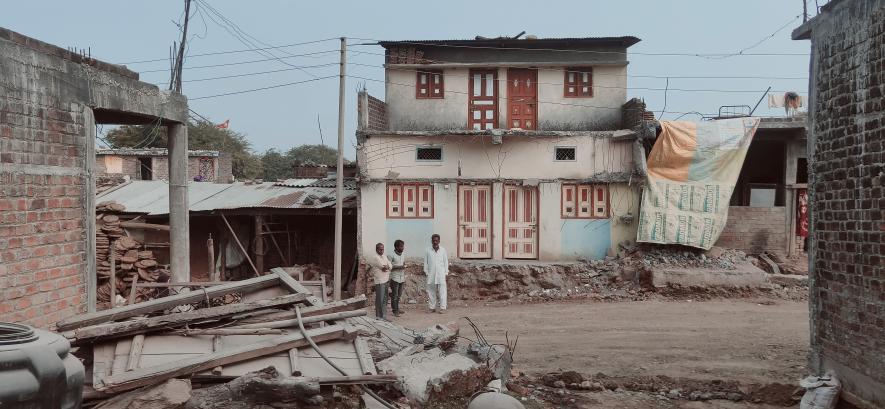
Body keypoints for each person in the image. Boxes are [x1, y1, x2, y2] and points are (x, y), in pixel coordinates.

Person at [423, 234, 449, 314]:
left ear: (439, 241)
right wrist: (427, 272)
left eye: (436, 240)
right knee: (431, 291)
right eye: (433, 240)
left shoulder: (443, 250)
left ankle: (443, 308)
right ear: (431, 241)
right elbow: (425, 263)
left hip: (441, 274)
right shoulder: (427, 250)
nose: (435, 242)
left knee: (442, 291)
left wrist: (446, 272)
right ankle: (432, 307)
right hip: (431, 274)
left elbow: (446, 262)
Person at [366, 242, 392, 320]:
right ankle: (378, 316)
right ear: (377, 249)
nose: (382, 251)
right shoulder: (375, 258)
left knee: (385, 299)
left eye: (383, 249)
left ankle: (383, 316)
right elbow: (383, 267)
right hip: (380, 281)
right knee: (379, 300)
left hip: (386, 280)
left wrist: (388, 266)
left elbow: (390, 265)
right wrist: (387, 267)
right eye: (380, 249)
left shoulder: (384, 256)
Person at [387, 239, 406, 317]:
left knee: (399, 295)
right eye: (401, 246)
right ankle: (395, 310)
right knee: (394, 295)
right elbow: (389, 267)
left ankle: (397, 308)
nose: (403, 248)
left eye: (403, 246)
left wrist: (404, 265)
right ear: (396, 247)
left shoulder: (403, 255)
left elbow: (403, 264)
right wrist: (400, 267)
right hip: (394, 278)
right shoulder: (390, 255)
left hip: (402, 278)